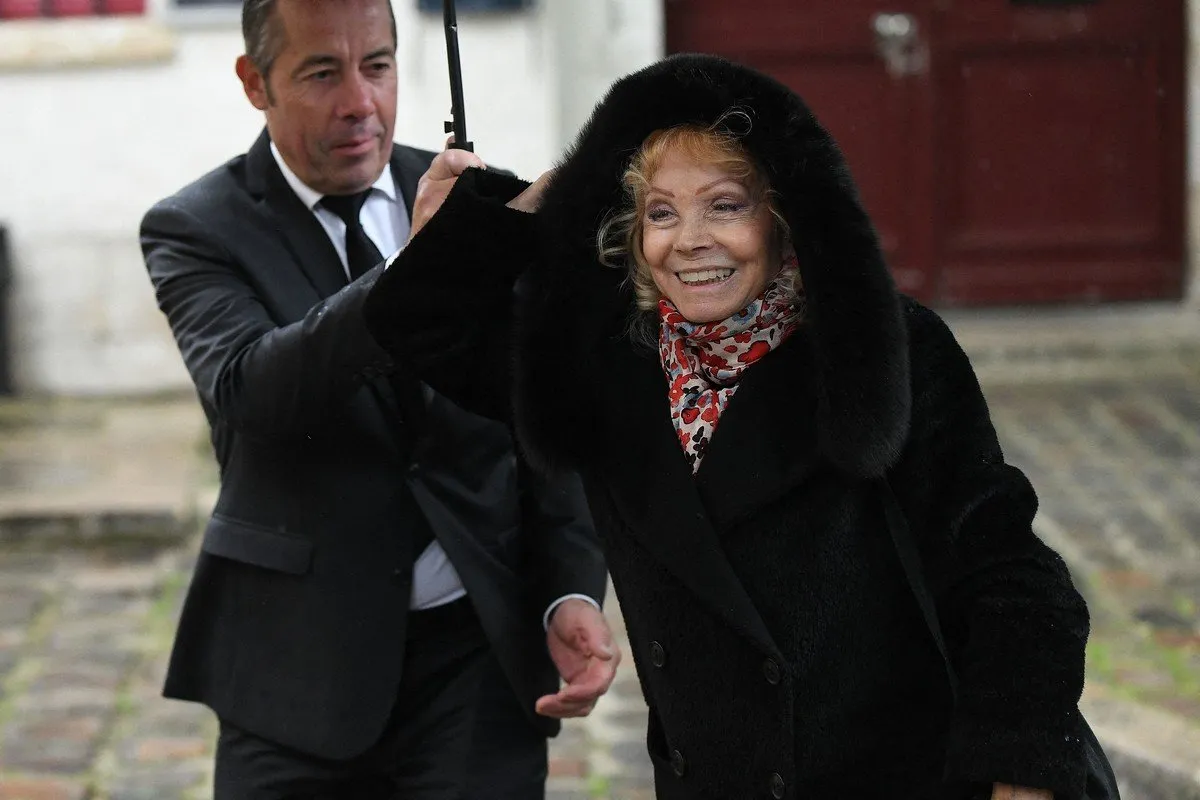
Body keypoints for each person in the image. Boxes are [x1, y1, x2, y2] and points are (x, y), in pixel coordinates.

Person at [362, 54, 1113, 799]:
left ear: (785, 218)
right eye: (661, 212)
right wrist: (526, 212)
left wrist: (1021, 772)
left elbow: (1007, 573)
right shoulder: (604, 365)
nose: (690, 239)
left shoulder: (879, 347)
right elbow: (419, 325)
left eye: (725, 205)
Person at [138, 1, 616, 797]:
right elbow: (251, 393)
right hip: (293, 670)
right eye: (322, 72)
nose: (360, 102)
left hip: (476, 662)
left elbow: (540, 414)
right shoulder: (195, 228)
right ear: (255, 82)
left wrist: (569, 588)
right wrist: (415, 273)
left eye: (378, 66)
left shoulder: (480, 205)